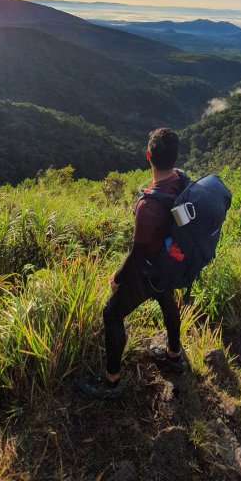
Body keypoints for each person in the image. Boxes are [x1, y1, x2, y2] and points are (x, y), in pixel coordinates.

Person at [77, 127, 187, 399]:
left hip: (149, 271)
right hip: (171, 264)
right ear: (176, 156)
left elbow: (138, 253)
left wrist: (117, 278)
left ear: (148, 156)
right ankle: (174, 356)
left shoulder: (148, 206)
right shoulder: (181, 180)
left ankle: (111, 382)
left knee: (111, 313)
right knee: (167, 299)